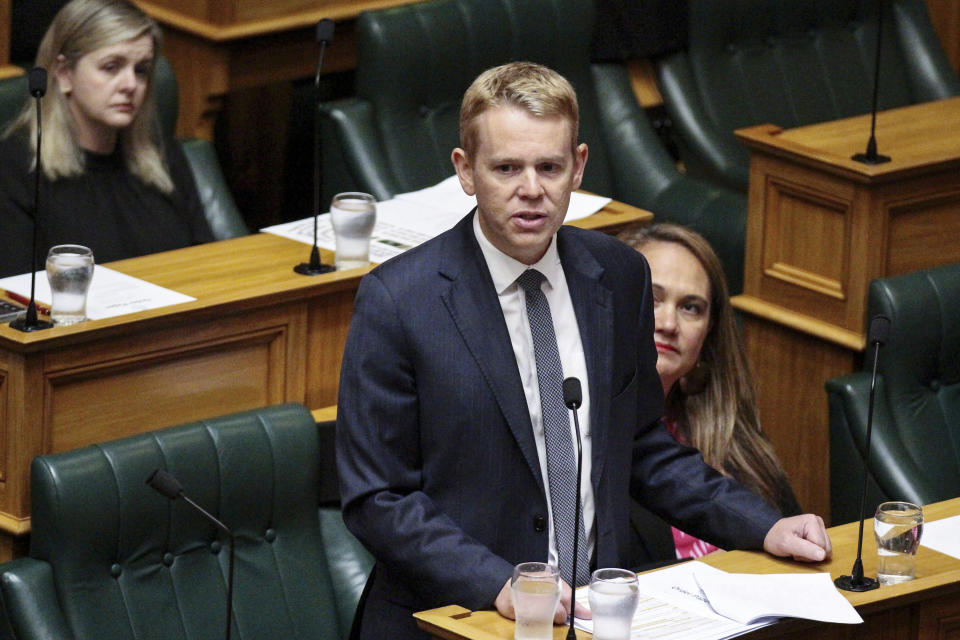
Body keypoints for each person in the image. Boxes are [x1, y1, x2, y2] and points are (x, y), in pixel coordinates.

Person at [336, 61, 831, 640]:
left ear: (579, 167)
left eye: (550, 166)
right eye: (506, 168)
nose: (532, 189)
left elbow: (644, 446)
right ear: (466, 172)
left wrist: (761, 525)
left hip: (593, 620)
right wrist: (498, 581)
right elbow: (378, 496)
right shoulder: (400, 300)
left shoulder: (618, 276)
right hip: (453, 622)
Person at [618, 223, 801, 560]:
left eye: (691, 308)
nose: (668, 323)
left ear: (709, 332)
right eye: (652, 299)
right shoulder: (592, 437)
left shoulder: (735, 440)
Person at [0, 0, 212, 279]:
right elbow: (14, 297)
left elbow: (209, 262)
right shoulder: (15, 168)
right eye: (111, 67)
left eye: (142, 70)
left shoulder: (160, 153)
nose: (130, 85)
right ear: (64, 74)